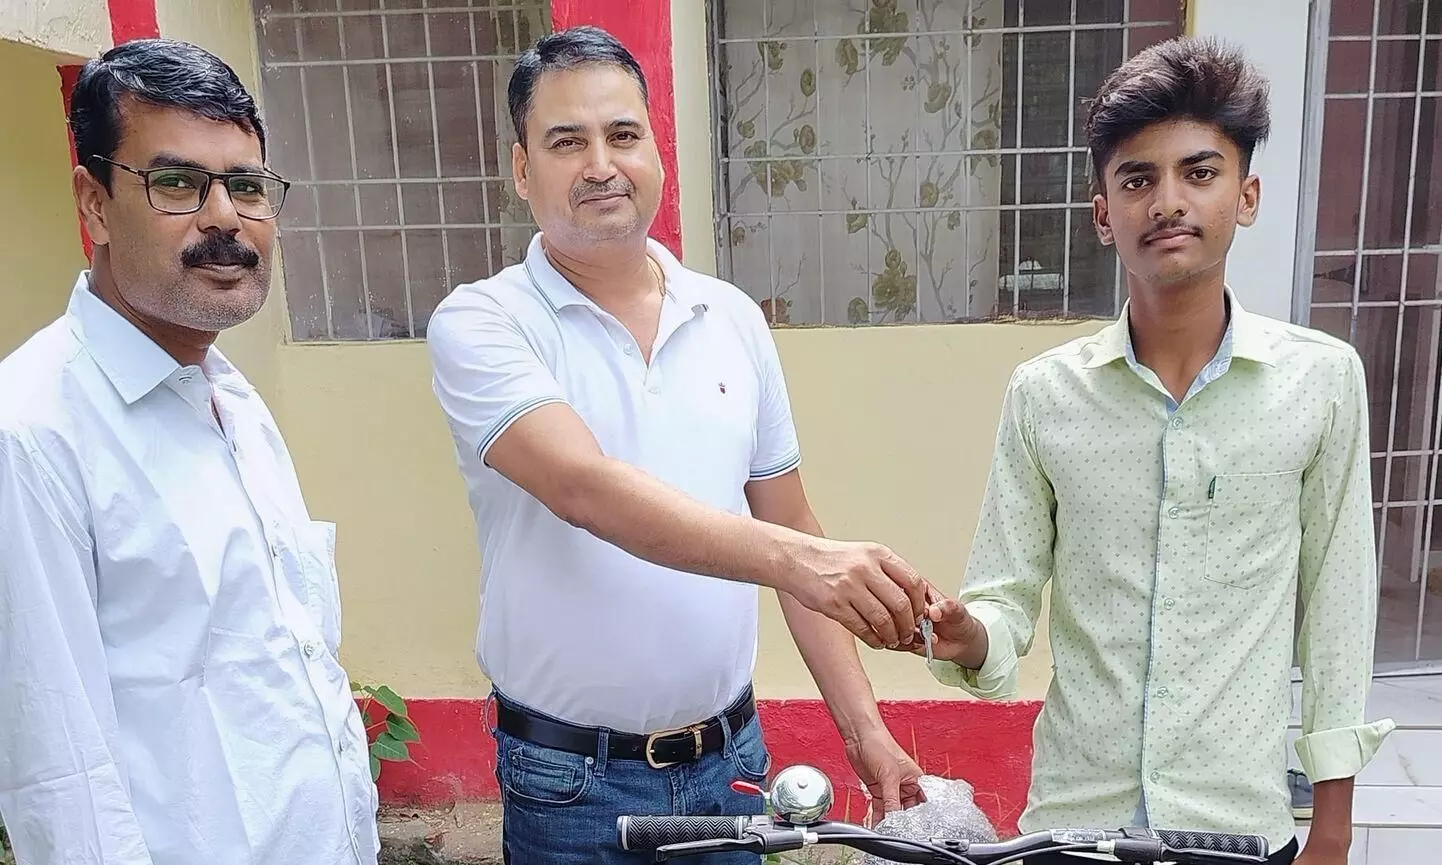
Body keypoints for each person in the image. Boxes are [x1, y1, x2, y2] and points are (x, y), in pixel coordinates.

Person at [425, 25, 931, 864]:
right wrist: (799, 559)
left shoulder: (729, 316)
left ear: (656, 150)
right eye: (566, 141)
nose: (600, 164)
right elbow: (584, 486)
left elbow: (791, 519)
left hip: (728, 768)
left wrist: (865, 730)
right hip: (569, 784)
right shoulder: (484, 321)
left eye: (623, 134)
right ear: (522, 169)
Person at [900, 37, 1394, 865]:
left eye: (1199, 172)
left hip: (1235, 829)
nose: (1168, 200)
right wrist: (971, 635)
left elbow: (1338, 616)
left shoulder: (1320, 383)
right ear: (1103, 214)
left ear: (1247, 195)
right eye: (1137, 179)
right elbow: (1005, 597)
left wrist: (1333, 830)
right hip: (1071, 827)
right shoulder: (1045, 395)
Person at [0, 40, 378, 865]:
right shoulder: (29, 434)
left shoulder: (229, 398)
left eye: (246, 185)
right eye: (177, 183)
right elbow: (62, 777)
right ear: (93, 204)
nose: (224, 218)